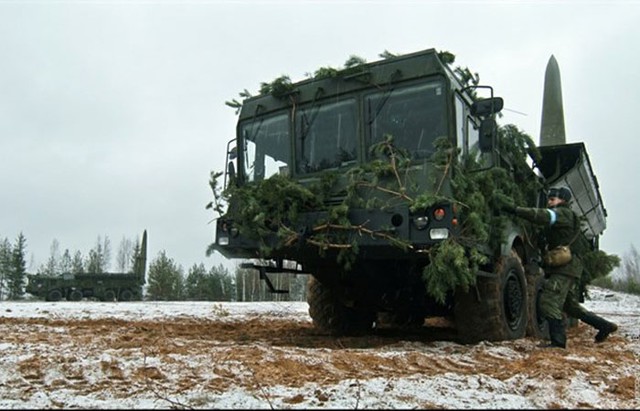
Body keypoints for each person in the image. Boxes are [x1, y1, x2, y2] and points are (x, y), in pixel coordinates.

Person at [500, 186, 618, 348]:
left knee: (548, 301)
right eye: (549, 198)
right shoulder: (565, 215)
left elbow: (541, 215)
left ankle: (558, 342)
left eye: (553, 198)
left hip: (566, 268)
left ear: (562, 200)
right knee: (570, 306)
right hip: (568, 267)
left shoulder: (562, 213)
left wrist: (515, 210)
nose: (549, 201)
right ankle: (604, 325)